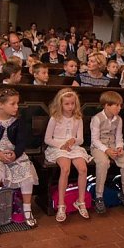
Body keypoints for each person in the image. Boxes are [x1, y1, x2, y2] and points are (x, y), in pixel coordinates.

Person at [0, 87, 38, 231]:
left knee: (27, 172)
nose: (17, 107)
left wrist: (15, 154)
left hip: (12, 154)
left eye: (17, 103)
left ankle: (27, 210)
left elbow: (22, 142)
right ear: (1, 105)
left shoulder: (18, 121)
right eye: (13, 103)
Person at [44, 89, 92, 222]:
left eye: (72, 103)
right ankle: (61, 204)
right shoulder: (55, 118)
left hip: (73, 147)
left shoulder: (78, 118)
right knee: (65, 169)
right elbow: (47, 139)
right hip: (57, 148)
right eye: (67, 104)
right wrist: (62, 144)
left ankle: (80, 201)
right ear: (60, 104)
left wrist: (73, 141)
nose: (70, 107)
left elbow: (80, 139)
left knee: (83, 169)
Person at [89, 91, 124, 214]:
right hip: (99, 147)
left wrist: (120, 147)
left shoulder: (119, 119)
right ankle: (99, 195)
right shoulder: (97, 119)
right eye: (117, 105)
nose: (120, 108)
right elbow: (95, 140)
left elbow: (119, 137)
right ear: (106, 105)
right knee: (103, 163)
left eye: (120, 105)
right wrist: (106, 150)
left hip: (113, 145)